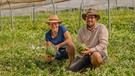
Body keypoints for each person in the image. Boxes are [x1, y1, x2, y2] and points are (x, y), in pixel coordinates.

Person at [68, 8, 109, 72]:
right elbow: (79, 44)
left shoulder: (101, 28)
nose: (89, 20)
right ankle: (89, 65)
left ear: (96, 19)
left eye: (92, 17)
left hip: (99, 53)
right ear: (85, 18)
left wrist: (90, 50)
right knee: (71, 69)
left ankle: (96, 68)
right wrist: (81, 51)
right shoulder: (81, 31)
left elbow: (103, 44)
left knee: (96, 56)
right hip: (85, 55)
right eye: (88, 17)